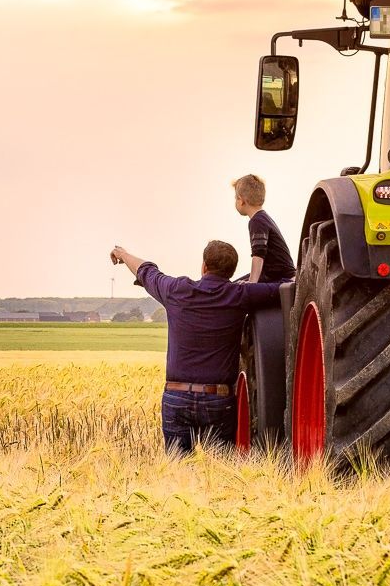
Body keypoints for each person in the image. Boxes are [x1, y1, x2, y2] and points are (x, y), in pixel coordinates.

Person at [110, 239, 283, 453]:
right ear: (231, 271)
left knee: (177, 474)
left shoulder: (176, 290)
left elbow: (146, 271)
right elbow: (280, 289)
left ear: (204, 266)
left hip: (177, 397)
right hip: (218, 400)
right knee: (221, 474)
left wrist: (123, 254)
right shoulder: (240, 295)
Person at [232, 174, 296, 284]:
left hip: (279, 276)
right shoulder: (263, 218)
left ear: (241, 200)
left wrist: (252, 283)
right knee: (236, 283)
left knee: (235, 287)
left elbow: (259, 254)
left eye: (235, 198)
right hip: (274, 273)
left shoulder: (256, 221)